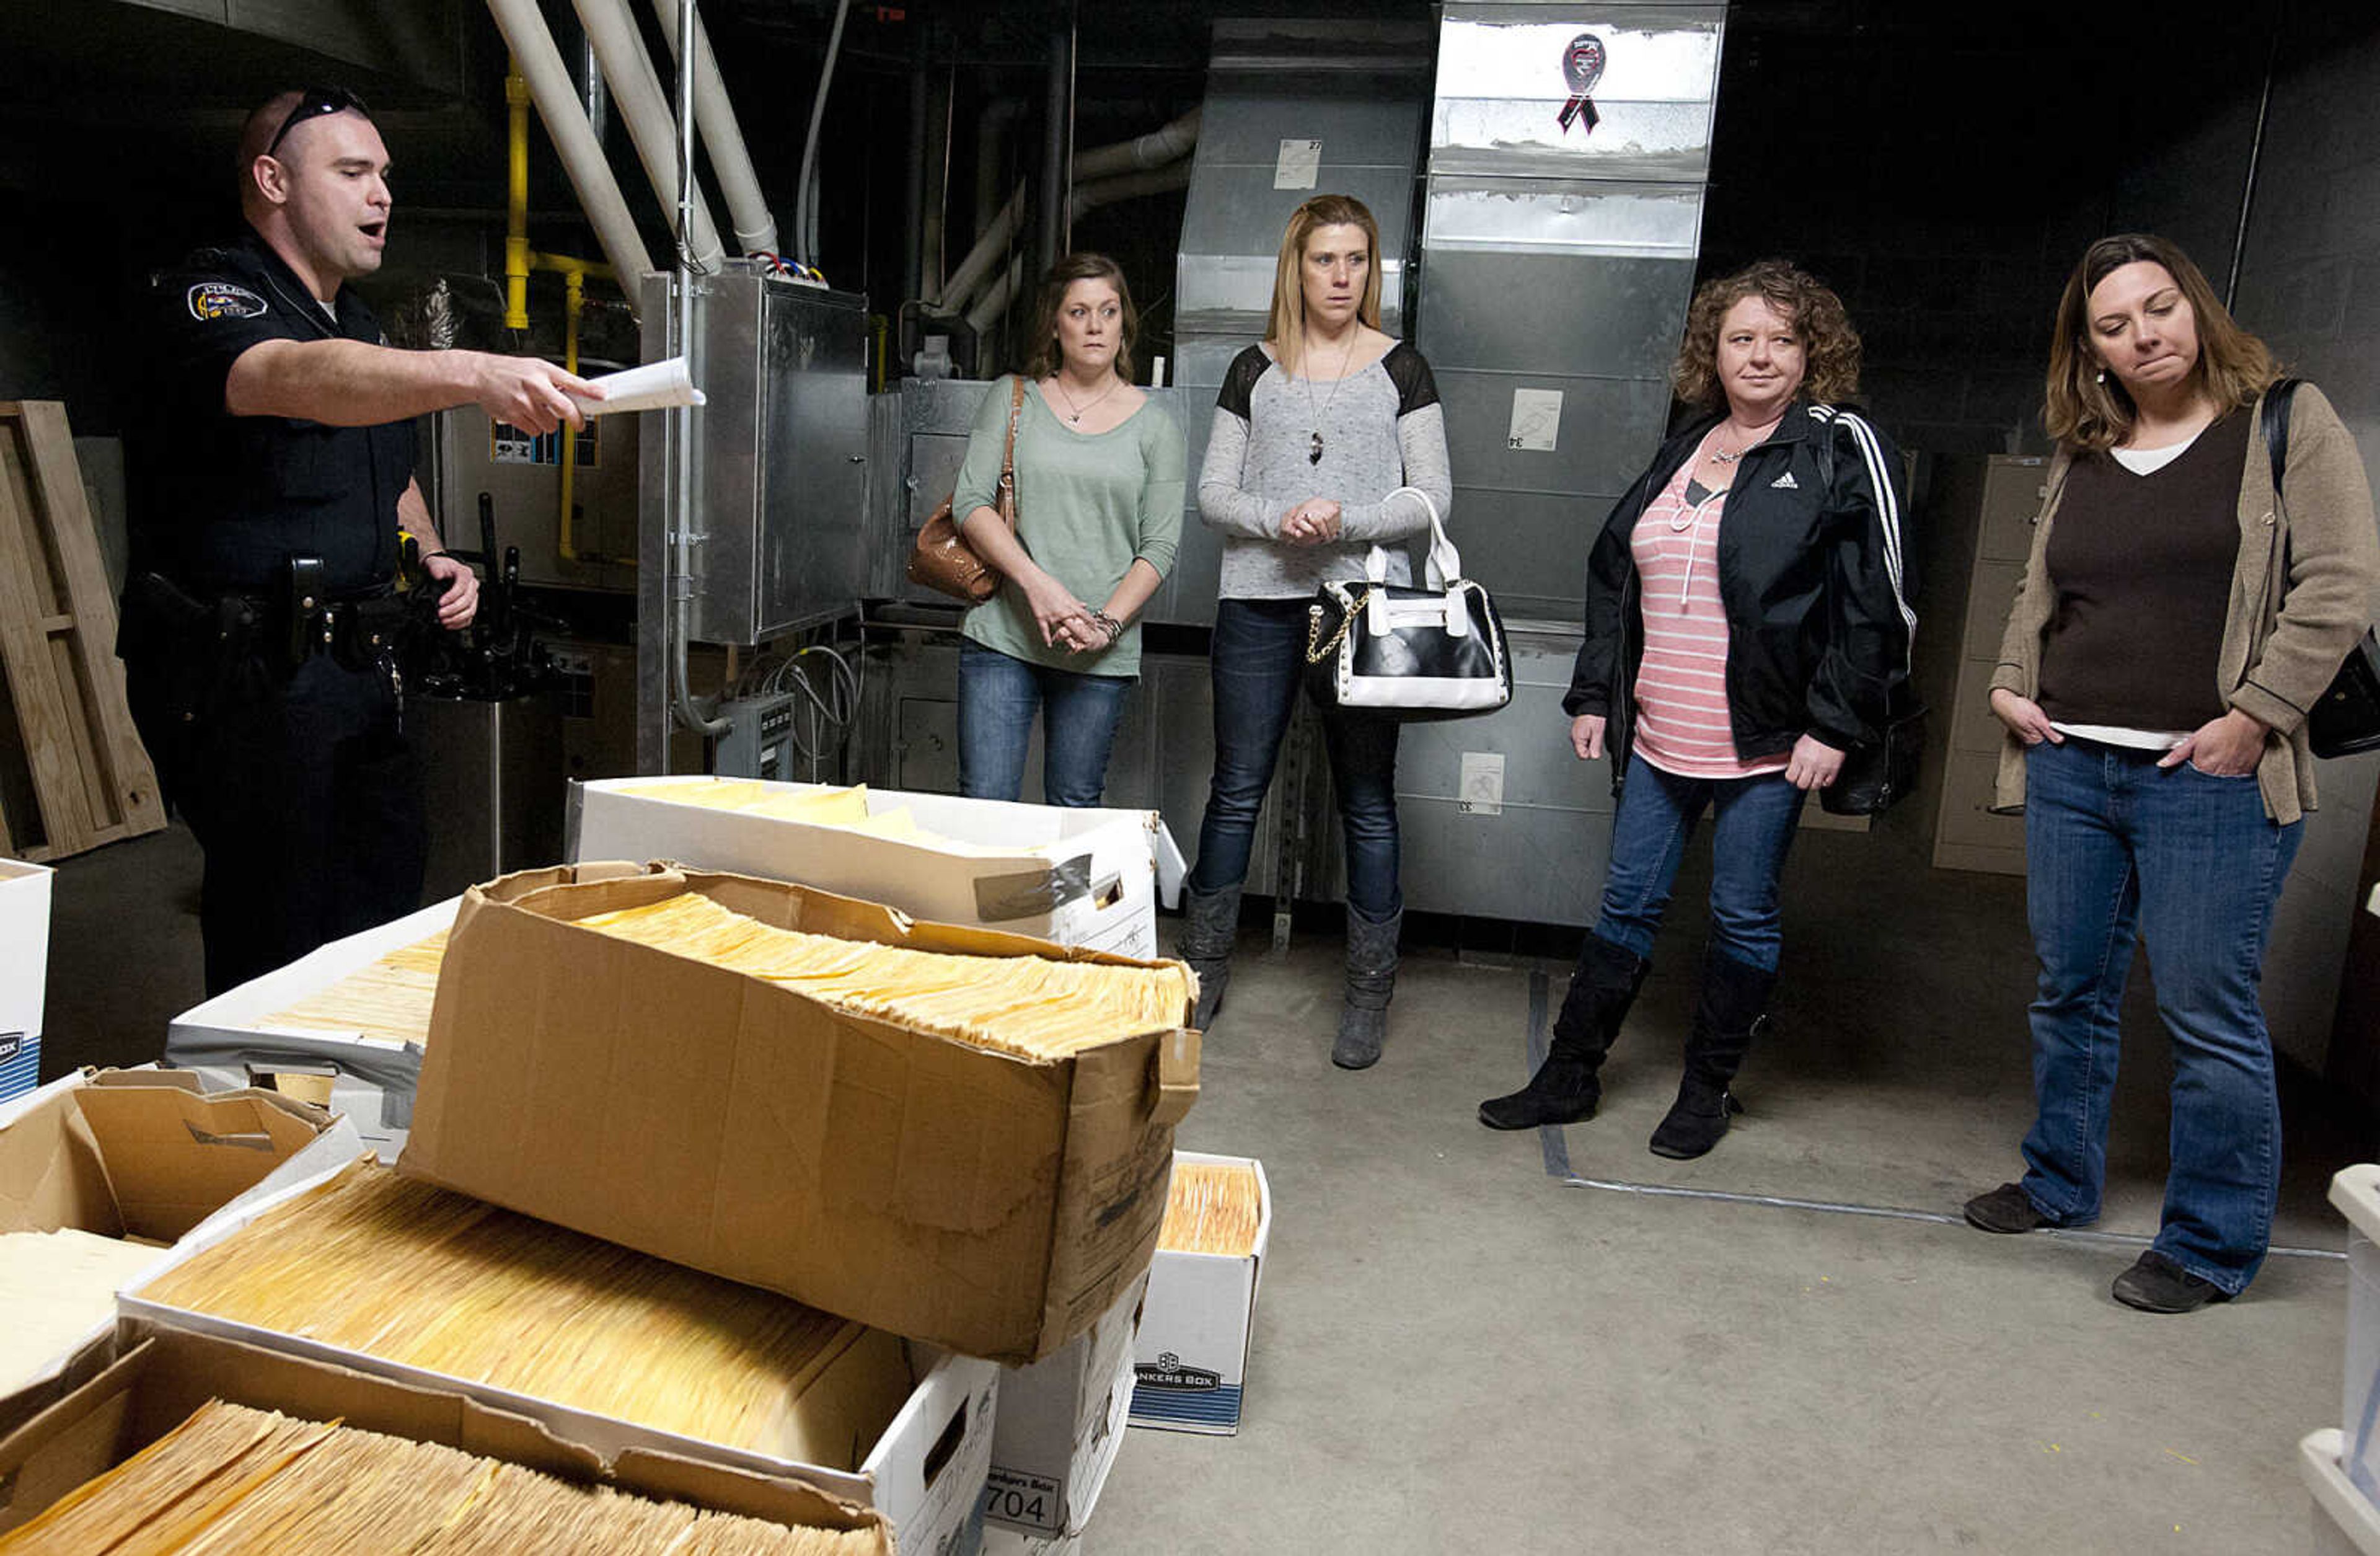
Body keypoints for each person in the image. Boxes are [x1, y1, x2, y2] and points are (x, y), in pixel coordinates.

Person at [1961, 234, 2379, 1313]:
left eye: (2160, 309)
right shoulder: (2086, 443)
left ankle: (2209, 1243)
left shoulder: (2285, 420)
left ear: (2196, 309)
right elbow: (2040, 583)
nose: (2144, 335)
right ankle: (2058, 1181)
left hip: (2212, 777)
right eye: (2114, 324)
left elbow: (2340, 583)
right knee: (2070, 991)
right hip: (2072, 767)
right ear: (2088, 350)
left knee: (2207, 1011)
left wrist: (2259, 715)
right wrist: (2012, 683)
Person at [120, 86, 599, 995]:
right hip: (254, 675)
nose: (382, 195)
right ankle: (264, 1111)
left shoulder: (360, 328)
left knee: (377, 904)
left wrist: (433, 554)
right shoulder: (211, 296)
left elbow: (389, 476)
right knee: (277, 928)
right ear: (271, 180)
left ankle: (350, 1109)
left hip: (361, 667)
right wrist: (469, 370)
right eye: (351, 173)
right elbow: (291, 378)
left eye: (385, 175)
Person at [1478, 260, 1913, 1159]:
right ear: (1711, 353)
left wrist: (1835, 722)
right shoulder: (1688, 442)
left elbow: (1878, 602)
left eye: (1782, 339)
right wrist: (1597, 690)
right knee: (1627, 903)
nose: (1760, 356)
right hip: (1661, 735)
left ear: (1813, 352)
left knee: (1741, 912)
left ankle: (1707, 1091)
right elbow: (1617, 574)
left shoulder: (1835, 446)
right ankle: (1570, 1074)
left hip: (1768, 744)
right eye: (1741, 338)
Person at [1174, 193, 1453, 1071]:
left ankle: (1369, 994)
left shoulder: (1404, 368)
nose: (1341, 277)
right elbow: (1214, 495)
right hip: (1259, 601)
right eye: (1324, 260)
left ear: (1374, 271)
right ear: (1295, 268)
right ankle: (1202, 969)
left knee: (1366, 801)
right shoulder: (1251, 368)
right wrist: (1279, 515)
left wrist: (1348, 518)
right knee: (1236, 790)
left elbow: (1433, 497)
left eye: (1357, 261)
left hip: (1363, 607)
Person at [950, 254, 1184, 805]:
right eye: (1079, 312)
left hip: (1099, 649)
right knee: (985, 804)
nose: (1095, 325)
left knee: (1074, 809)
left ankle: (1059, 900)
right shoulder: (1013, 398)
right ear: (1055, 323)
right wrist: (1040, 587)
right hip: (1003, 637)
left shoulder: (1156, 427)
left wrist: (1104, 625)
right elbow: (971, 503)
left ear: (1124, 321)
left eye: (1108, 311)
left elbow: (1160, 546)